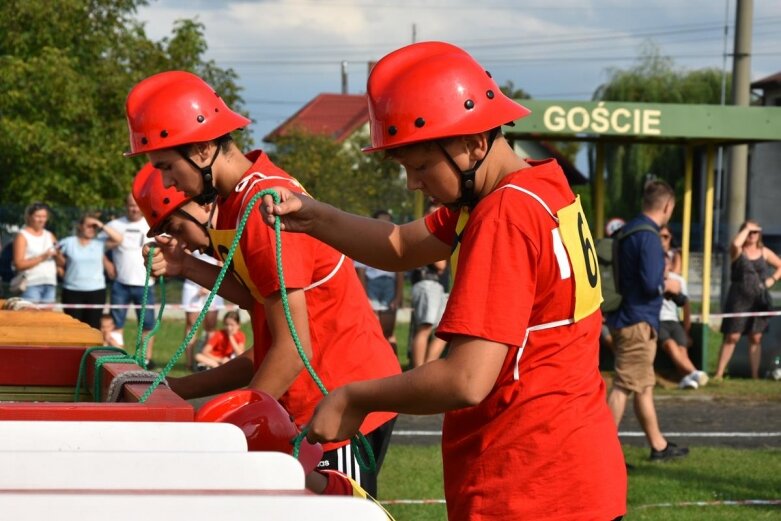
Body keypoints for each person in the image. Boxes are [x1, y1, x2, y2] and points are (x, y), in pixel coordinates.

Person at [258, 41, 626, 520]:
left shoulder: (502, 213)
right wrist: (316, 216)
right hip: (578, 474)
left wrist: (355, 396)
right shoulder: (538, 185)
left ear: (473, 143)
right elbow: (399, 246)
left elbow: (466, 378)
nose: (412, 182)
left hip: (528, 484)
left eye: (420, 165)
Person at [125, 74, 401, 496]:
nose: (166, 183)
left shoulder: (259, 205)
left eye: (166, 167)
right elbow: (258, 303)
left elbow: (294, 350)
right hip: (322, 398)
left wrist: (233, 429)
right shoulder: (240, 199)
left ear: (202, 149)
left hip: (337, 401)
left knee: (337, 509)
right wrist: (188, 268)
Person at [606, 179, 689, 461]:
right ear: (667, 206)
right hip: (638, 321)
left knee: (643, 385)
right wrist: (670, 285)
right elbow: (650, 283)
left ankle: (659, 445)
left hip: (624, 316)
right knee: (623, 386)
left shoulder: (629, 231)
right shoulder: (650, 236)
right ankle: (601, 453)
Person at [715, 220, 781, 380]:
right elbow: (735, 245)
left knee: (756, 336)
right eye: (749, 232)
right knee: (732, 336)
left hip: (758, 299)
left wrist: (771, 280)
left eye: (755, 232)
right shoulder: (738, 251)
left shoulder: (764, 251)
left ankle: (754, 375)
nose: (752, 235)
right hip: (739, 298)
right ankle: (719, 373)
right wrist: (747, 229)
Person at [106, 194, 159, 368]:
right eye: (130, 206)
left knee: (147, 325)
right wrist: (106, 263)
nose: (133, 209)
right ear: (125, 206)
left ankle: (146, 359)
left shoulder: (152, 224)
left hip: (145, 284)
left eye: (136, 206)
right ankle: (117, 356)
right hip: (120, 283)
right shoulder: (114, 225)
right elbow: (99, 246)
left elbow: (163, 248)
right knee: (116, 323)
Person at [56, 214, 122, 329]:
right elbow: (54, 252)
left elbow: (119, 239)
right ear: (80, 226)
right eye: (88, 226)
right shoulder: (68, 242)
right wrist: (59, 267)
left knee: (93, 328)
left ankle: (91, 348)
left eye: (94, 227)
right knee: (73, 328)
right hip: (72, 291)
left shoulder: (99, 243)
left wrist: (101, 225)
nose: (92, 229)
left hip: (96, 291)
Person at [354, 209, 404, 351]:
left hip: (389, 286)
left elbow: (399, 272)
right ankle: (375, 359)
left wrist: (398, 296)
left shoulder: (396, 245)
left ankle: (393, 363)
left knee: (388, 329)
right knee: (373, 327)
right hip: (372, 285)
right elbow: (361, 273)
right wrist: (365, 296)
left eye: (388, 223)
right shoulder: (365, 245)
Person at [659, 253, 708, 389]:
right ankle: (695, 373)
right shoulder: (652, 279)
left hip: (673, 321)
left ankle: (686, 378)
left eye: (665, 264)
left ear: (669, 265)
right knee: (670, 345)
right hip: (658, 321)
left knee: (682, 349)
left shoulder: (677, 281)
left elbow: (685, 304)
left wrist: (687, 330)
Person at [408, 201, 448, 368]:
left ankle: (427, 368)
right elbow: (441, 265)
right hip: (427, 284)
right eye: (434, 215)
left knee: (442, 331)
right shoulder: (426, 236)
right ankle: (418, 369)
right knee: (425, 327)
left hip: (439, 287)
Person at [182, 248, 225, 371]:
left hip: (213, 284)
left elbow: (221, 263)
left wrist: (209, 285)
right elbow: (185, 257)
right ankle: (189, 363)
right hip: (192, 285)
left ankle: (206, 361)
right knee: (191, 324)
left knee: (210, 326)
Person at [12, 202, 58, 303]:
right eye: (38, 216)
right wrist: (42, 257)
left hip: (50, 282)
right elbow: (18, 264)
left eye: (44, 216)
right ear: (29, 216)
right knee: (31, 318)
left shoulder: (49, 235)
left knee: (47, 318)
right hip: (31, 284)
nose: (41, 220)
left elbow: (59, 258)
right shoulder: (22, 236)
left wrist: (59, 254)